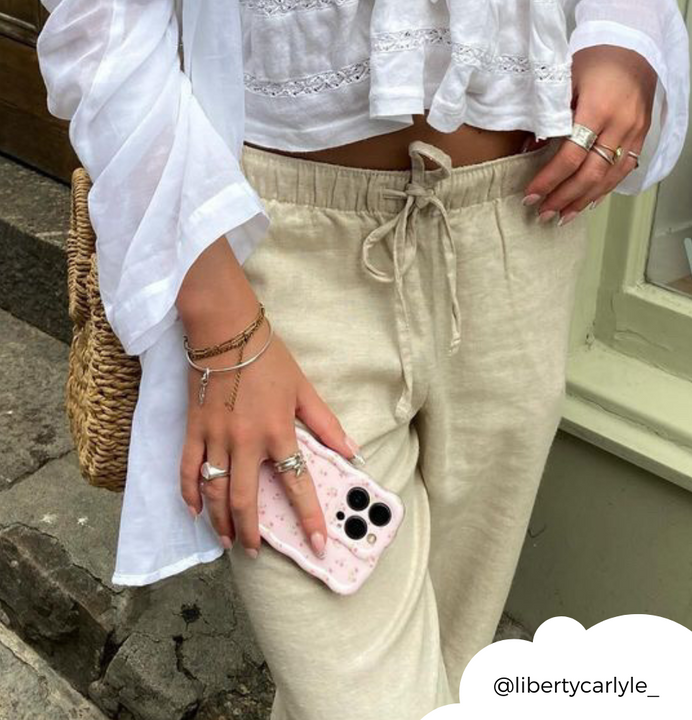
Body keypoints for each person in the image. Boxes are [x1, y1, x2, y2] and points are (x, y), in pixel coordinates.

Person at [36, 0, 690, 717]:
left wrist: (629, 39)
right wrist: (220, 318)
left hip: (527, 222)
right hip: (280, 257)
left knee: (453, 667)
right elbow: (99, 22)